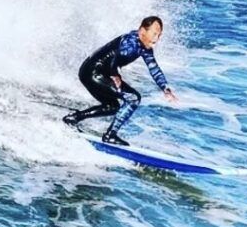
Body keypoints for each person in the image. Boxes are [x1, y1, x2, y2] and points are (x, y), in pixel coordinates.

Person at [62, 16, 178, 146]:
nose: (157, 39)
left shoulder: (145, 47)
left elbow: (153, 68)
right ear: (142, 31)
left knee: (112, 106)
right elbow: (117, 56)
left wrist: (165, 89)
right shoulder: (131, 43)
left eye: (159, 35)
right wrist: (114, 73)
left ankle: (74, 118)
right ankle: (110, 135)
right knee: (133, 98)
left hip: (91, 72)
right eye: (154, 34)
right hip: (93, 73)